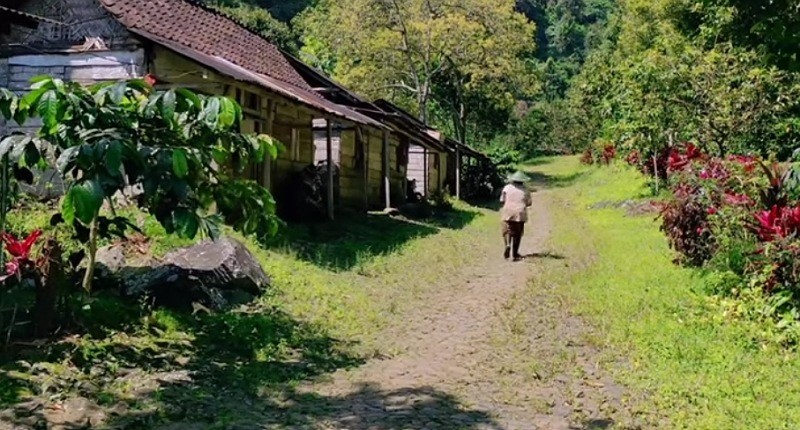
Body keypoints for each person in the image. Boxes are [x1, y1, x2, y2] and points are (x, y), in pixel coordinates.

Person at [500, 171, 532, 261]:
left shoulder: (507, 188)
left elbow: (502, 200)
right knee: (518, 233)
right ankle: (515, 254)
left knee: (507, 231)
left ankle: (507, 245)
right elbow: (529, 203)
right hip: (520, 212)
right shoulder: (526, 190)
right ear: (523, 181)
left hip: (508, 211)